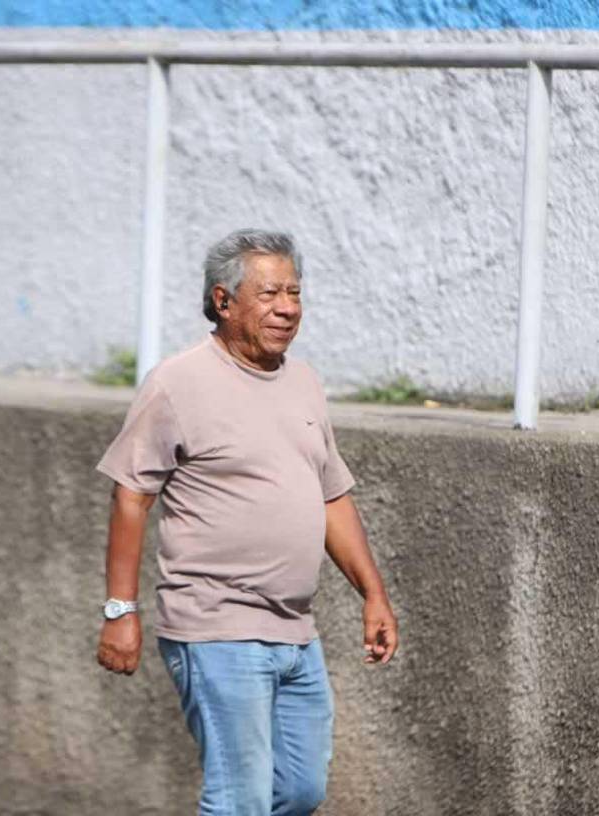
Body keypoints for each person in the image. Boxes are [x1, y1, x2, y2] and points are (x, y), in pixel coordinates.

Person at [95, 228, 398, 816]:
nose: (287, 308)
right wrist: (120, 611)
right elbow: (131, 496)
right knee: (240, 800)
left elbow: (331, 496)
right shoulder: (178, 383)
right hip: (215, 628)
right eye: (268, 294)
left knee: (299, 790)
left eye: (294, 292)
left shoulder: (303, 381)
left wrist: (373, 593)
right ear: (222, 301)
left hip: (294, 631)